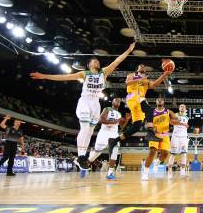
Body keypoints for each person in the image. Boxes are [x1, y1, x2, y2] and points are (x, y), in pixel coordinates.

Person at [30, 42, 135, 171]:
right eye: (94, 61)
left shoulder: (104, 72)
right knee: (85, 128)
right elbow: (64, 77)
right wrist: (44, 76)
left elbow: (117, 60)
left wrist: (128, 50)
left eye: (97, 61)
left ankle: (82, 157)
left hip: (96, 103)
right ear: (89, 64)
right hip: (85, 101)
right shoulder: (84, 74)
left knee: (90, 131)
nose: (96, 62)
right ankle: (80, 157)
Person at [107, 64, 172, 155]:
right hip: (133, 97)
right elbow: (127, 83)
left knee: (136, 126)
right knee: (149, 110)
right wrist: (139, 80)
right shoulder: (132, 75)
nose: (143, 67)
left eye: (144, 67)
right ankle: (150, 132)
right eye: (140, 66)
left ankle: (114, 141)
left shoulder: (146, 80)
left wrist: (164, 74)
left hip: (139, 102)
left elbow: (155, 84)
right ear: (137, 69)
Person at [86, 98, 127, 180]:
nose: (118, 101)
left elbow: (121, 127)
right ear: (112, 102)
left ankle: (110, 173)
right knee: (97, 152)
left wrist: (126, 120)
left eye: (119, 100)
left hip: (114, 133)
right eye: (116, 100)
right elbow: (100, 120)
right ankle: (86, 164)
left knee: (115, 151)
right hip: (104, 132)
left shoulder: (119, 114)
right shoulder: (107, 109)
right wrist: (114, 122)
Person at [142, 97, 177, 182]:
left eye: (161, 99)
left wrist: (174, 121)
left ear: (164, 102)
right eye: (158, 99)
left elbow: (176, 119)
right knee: (152, 152)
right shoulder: (151, 112)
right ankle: (145, 173)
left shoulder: (168, 112)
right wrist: (150, 127)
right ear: (156, 102)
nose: (160, 100)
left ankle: (157, 162)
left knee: (165, 154)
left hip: (165, 135)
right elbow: (145, 125)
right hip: (154, 135)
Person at [167, 104, 190, 178]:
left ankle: (182, 172)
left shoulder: (187, 117)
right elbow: (171, 122)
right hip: (176, 136)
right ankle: (169, 172)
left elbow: (186, 126)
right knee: (173, 154)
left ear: (185, 108)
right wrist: (182, 123)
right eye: (181, 106)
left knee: (184, 154)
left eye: (183, 107)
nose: (182, 107)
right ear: (179, 108)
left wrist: (185, 125)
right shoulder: (175, 115)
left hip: (183, 137)